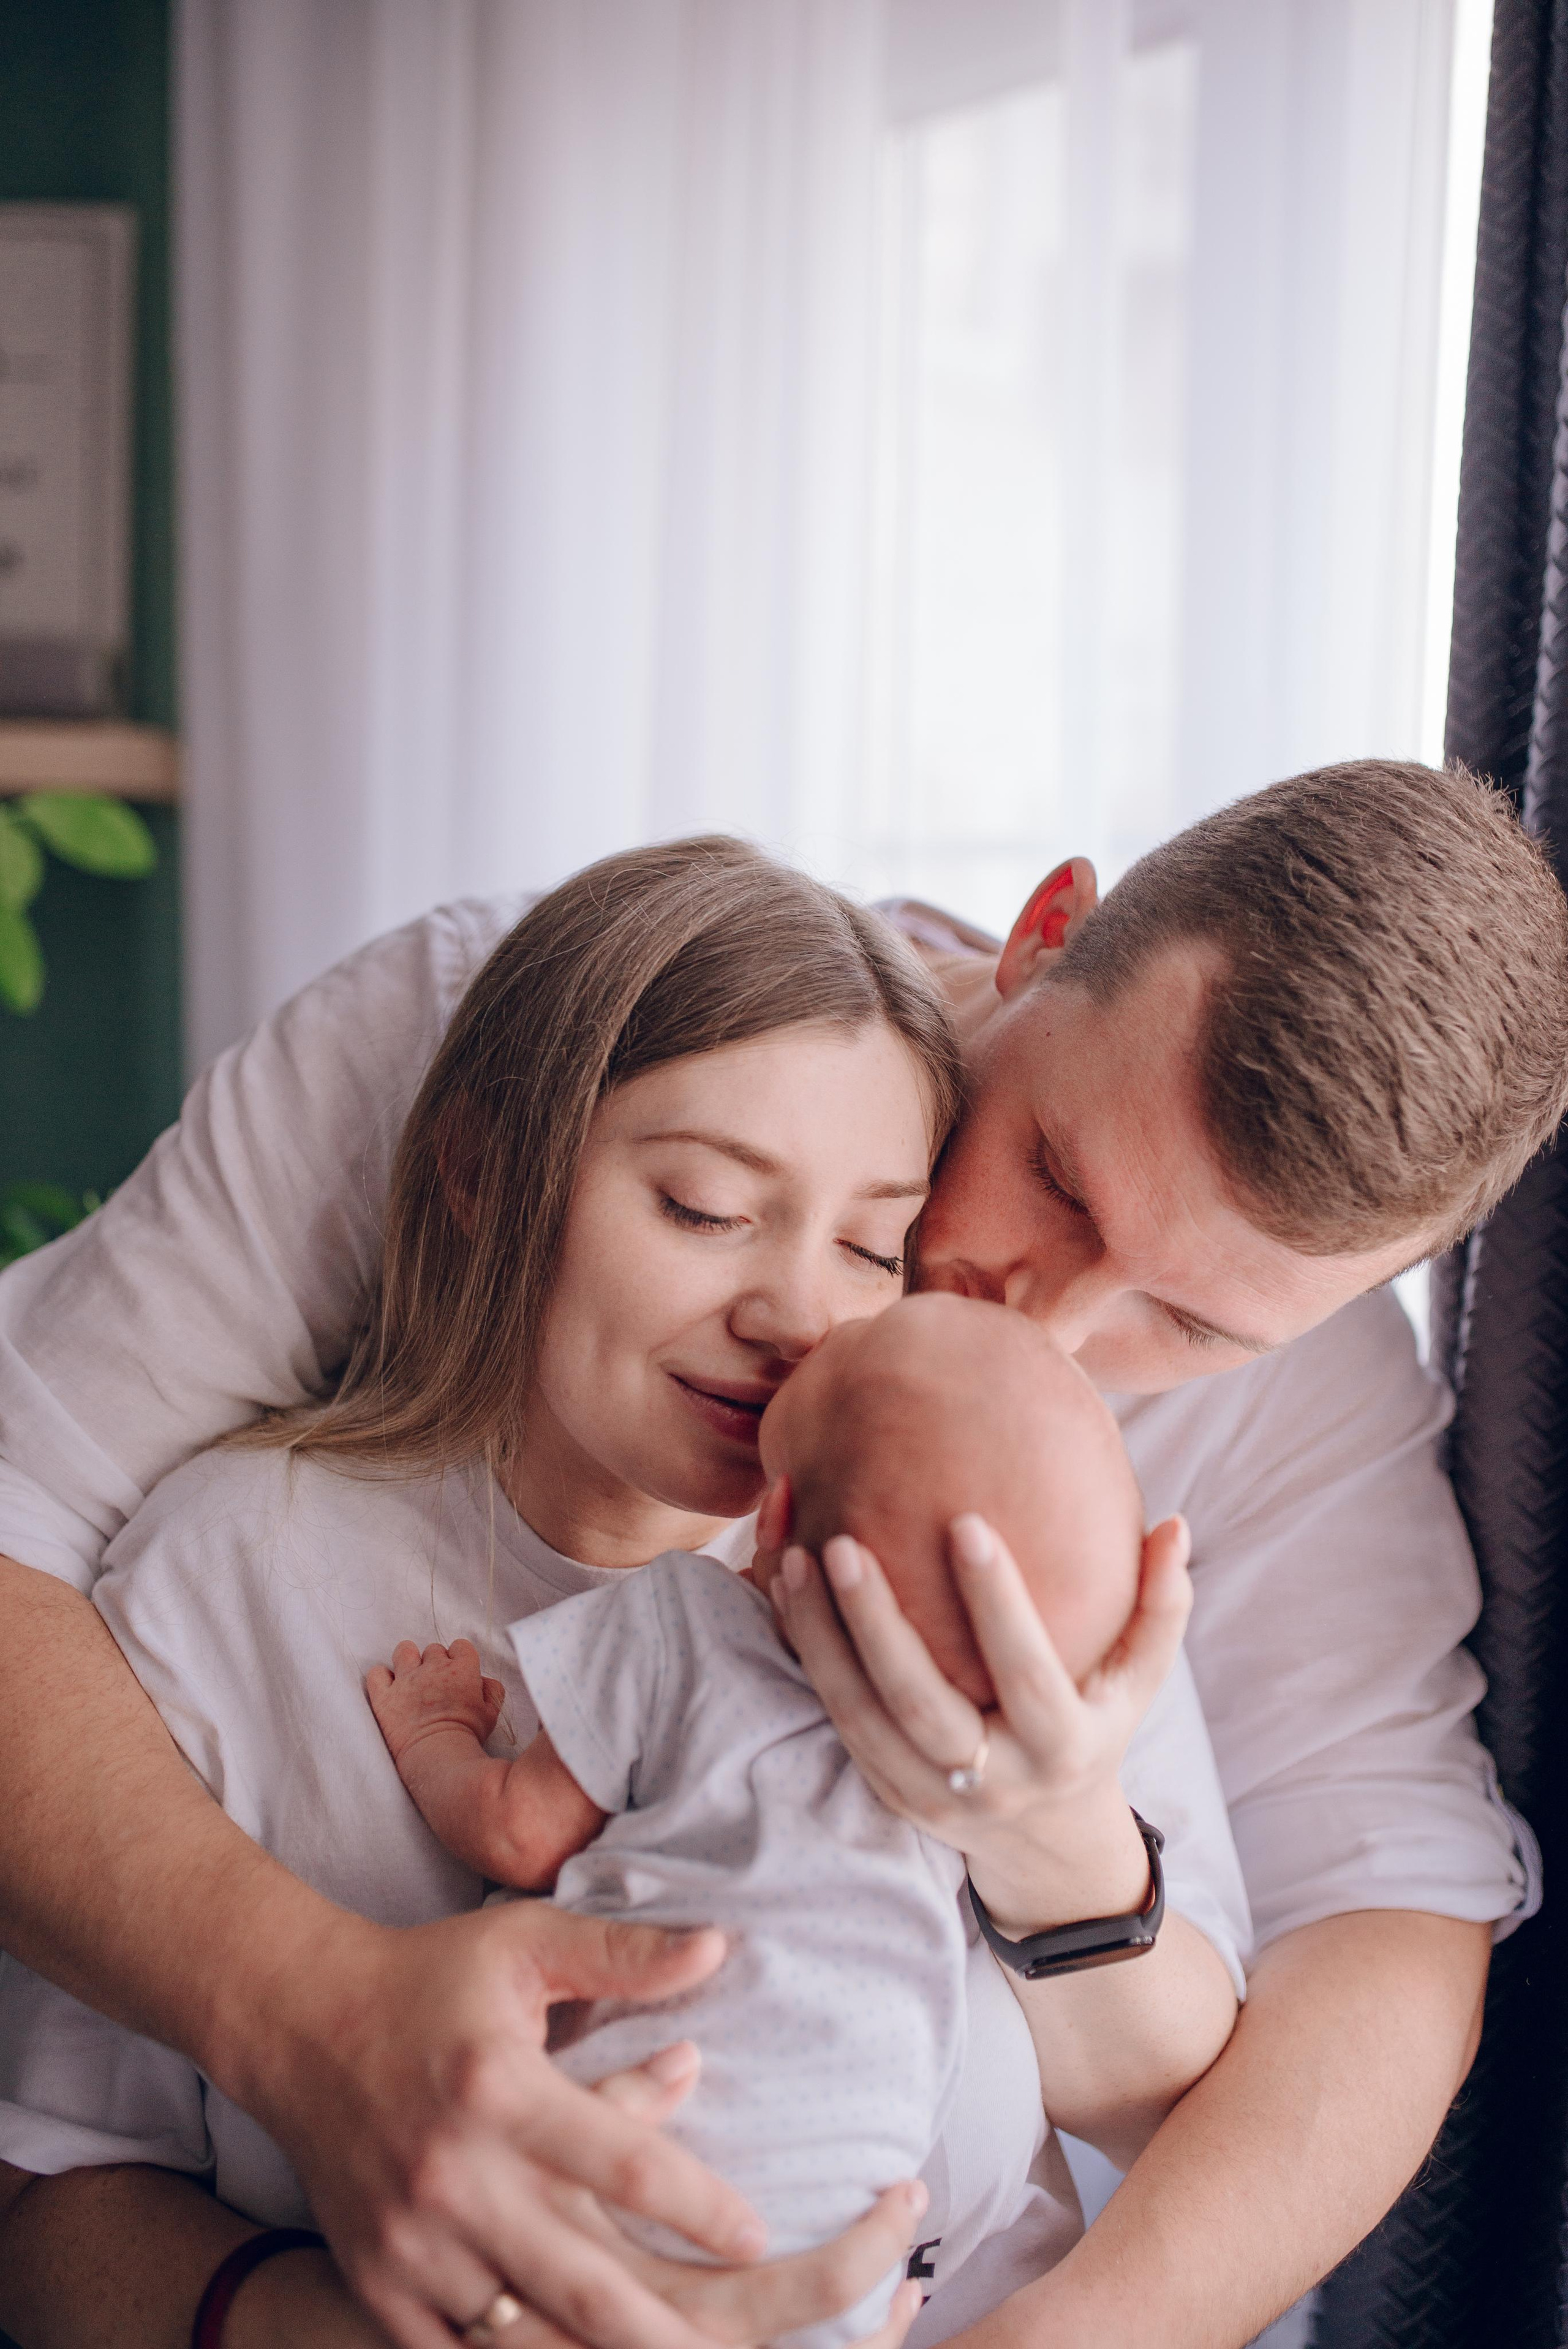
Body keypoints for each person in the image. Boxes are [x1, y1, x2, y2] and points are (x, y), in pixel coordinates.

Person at [0, 759, 1564, 2345]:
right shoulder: (526, 1035)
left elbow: (1379, 1925)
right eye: (1054, 1176)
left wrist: (1069, 2325)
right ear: (1039, 936)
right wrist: (313, 2034)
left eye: (1194, 1324)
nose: (1046, 1321)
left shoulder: (1163, 1542)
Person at [367, 1298, 1238, 2349]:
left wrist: (438, 1737)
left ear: (770, 1520)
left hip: (624, 2155)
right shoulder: (956, 1806)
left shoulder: (682, 1621)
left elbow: (519, 1834)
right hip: (850, 2270)